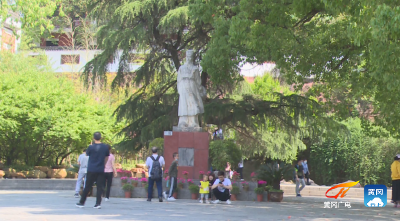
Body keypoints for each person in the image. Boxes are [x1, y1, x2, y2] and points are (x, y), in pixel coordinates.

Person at [76, 132, 110, 209]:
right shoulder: (105, 147)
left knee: (87, 186)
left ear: (94, 138)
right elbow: (107, 157)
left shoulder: (91, 147)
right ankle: (98, 204)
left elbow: (87, 155)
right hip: (100, 169)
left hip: (91, 169)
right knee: (99, 187)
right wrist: (104, 164)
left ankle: (82, 202)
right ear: (101, 138)